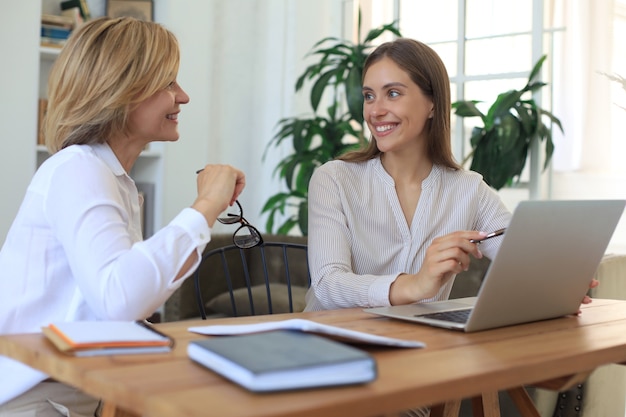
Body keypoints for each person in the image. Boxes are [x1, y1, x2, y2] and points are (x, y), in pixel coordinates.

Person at [304, 37, 597, 417]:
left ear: (432, 104)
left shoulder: (467, 189)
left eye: (393, 93)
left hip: (415, 370)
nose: (376, 110)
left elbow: (517, 252)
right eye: (369, 96)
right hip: (326, 362)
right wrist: (413, 285)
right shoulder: (335, 179)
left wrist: (558, 282)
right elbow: (327, 284)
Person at [0, 17, 245, 416]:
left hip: (80, 388)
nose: (182, 96)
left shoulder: (111, 179)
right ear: (122, 92)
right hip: (34, 397)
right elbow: (120, 299)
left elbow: (109, 305)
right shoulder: (77, 169)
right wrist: (205, 207)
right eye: (168, 83)